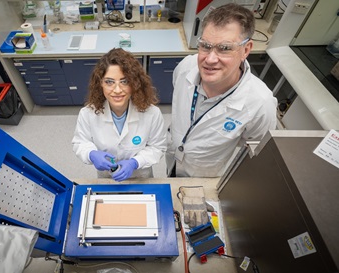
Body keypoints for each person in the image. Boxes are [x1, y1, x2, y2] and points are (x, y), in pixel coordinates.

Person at [166, 3, 277, 178]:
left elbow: (255, 153)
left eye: (224, 48)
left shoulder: (260, 104)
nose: (210, 59)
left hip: (206, 176)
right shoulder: (185, 67)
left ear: (246, 50)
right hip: (172, 158)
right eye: (205, 46)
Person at [72, 48, 166, 182]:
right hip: (107, 177)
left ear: (135, 83)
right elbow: (80, 142)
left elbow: (157, 147)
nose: (117, 90)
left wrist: (135, 162)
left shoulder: (152, 113)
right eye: (109, 82)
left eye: (124, 81)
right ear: (100, 83)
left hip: (141, 177)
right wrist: (91, 154)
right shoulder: (88, 113)